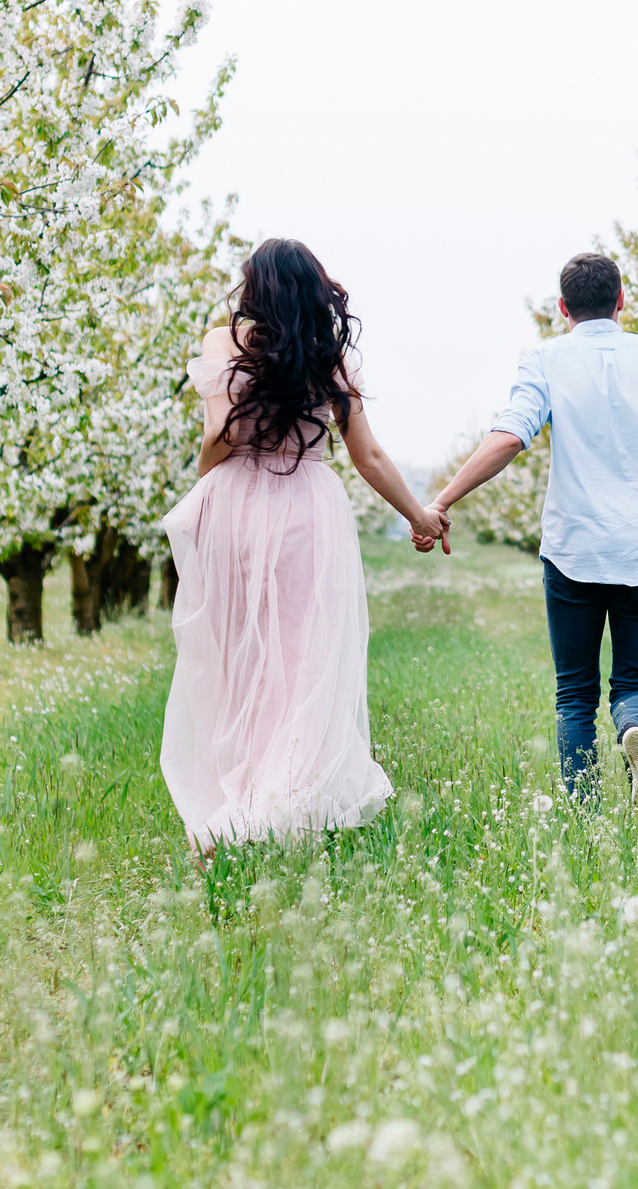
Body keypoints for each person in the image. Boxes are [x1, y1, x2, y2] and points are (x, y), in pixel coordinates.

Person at [160, 238, 448, 851]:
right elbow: (366, 455)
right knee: (302, 658)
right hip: (307, 511)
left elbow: (219, 436)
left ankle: (235, 805)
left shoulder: (223, 344)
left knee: (239, 656)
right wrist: (419, 516)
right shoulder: (330, 356)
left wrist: (205, 492)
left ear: (254, 289)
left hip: (236, 502)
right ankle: (276, 800)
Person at [430, 251, 638, 804]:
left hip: (575, 550)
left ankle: (581, 809)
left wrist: (442, 501)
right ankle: (634, 728)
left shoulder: (545, 359)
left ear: (562, 307)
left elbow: (511, 436)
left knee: (574, 694)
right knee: (636, 684)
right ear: (621, 301)